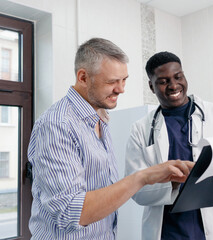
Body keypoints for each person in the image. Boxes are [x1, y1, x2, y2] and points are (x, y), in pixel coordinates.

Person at [27, 39, 194, 239]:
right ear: (83, 77)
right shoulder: (57, 124)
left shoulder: (101, 117)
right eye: (112, 81)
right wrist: (142, 177)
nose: (121, 89)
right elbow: (72, 212)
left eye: (124, 80)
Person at [125, 51, 213, 240]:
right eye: (163, 81)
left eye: (178, 77)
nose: (173, 85)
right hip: (169, 232)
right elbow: (136, 190)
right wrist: (173, 181)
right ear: (151, 86)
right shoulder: (140, 129)